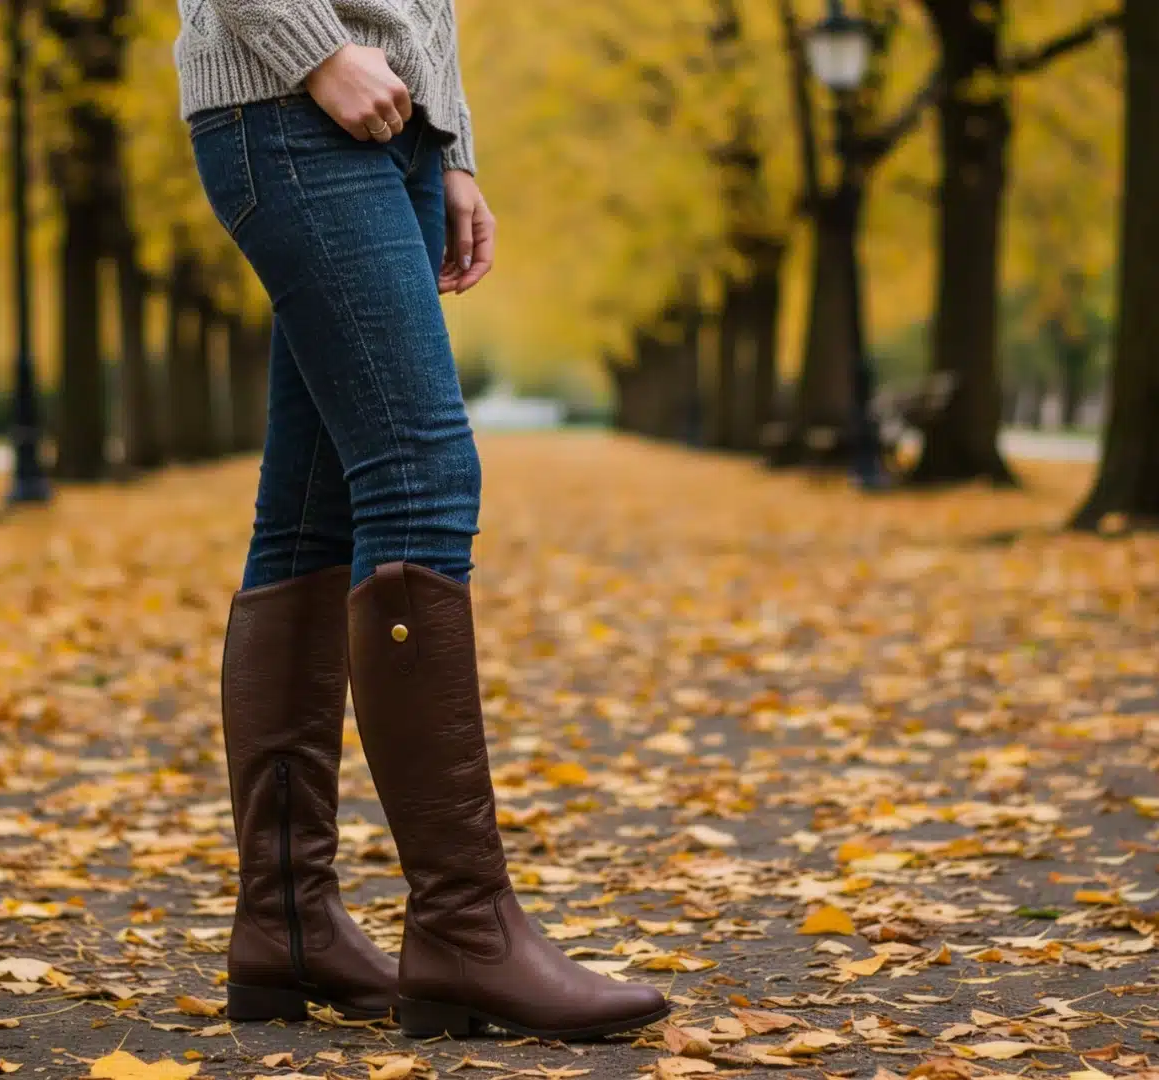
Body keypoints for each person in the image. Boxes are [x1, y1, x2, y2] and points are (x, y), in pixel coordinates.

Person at [176, 0, 670, 1043]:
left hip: (382, 120)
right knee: (422, 477)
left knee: (311, 515)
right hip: (293, 100)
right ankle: (462, 928)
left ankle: (288, 924)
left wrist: (449, 140)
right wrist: (314, 51)